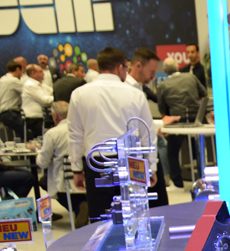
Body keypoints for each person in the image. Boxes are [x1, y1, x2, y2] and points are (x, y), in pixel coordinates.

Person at [68, 47, 157, 222]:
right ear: (119, 67)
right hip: (131, 161)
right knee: (135, 217)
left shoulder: (79, 94)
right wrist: (151, 166)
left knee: (101, 218)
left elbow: (75, 135)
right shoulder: (136, 94)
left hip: (97, 162)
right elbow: (147, 134)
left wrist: (76, 168)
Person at [126, 48, 179, 195]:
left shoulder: (139, 88)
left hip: (144, 152)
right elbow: (135, 126)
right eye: (151, 71)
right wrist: (161, 123)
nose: (153, 76)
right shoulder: (127, 91)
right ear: (138, 66)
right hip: (136, 153)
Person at [157, 57, 206, 187]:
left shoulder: (163, 85)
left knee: (172, 152)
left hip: (177, 122)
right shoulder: (191, 77)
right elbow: (204, 94)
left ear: (164, 70)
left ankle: (178, 183)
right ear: (178, 66)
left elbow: (162, 110)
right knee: (200, 149)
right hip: (197, 120)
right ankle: (203, 177)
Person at [36, 101, 87, 225]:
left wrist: (38, 152)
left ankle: (78, 207)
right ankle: (82, 205)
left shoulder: (52, 133)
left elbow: (42, 163)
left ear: (55, 116)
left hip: (63, 180)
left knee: (44, 180)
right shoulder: (84, 130)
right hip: (86, 177)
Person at [22, 64, 53, 139]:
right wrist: (56, 98)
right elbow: (44, 101)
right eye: (41, 71)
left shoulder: (41, 85)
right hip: (34, 119)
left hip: (42, 117)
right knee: (41, 139)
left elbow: (53, 92)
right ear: (33, 73)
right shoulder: (30, 85)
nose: (43, 73)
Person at [0, 60, 25, 139]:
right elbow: (27, 92)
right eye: (21, 72)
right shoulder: (14, 81)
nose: (21, 75)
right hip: (11, 114)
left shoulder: (2, 79)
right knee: (27, 135)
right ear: (17, 69)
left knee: (12, 137)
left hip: (3, 113)